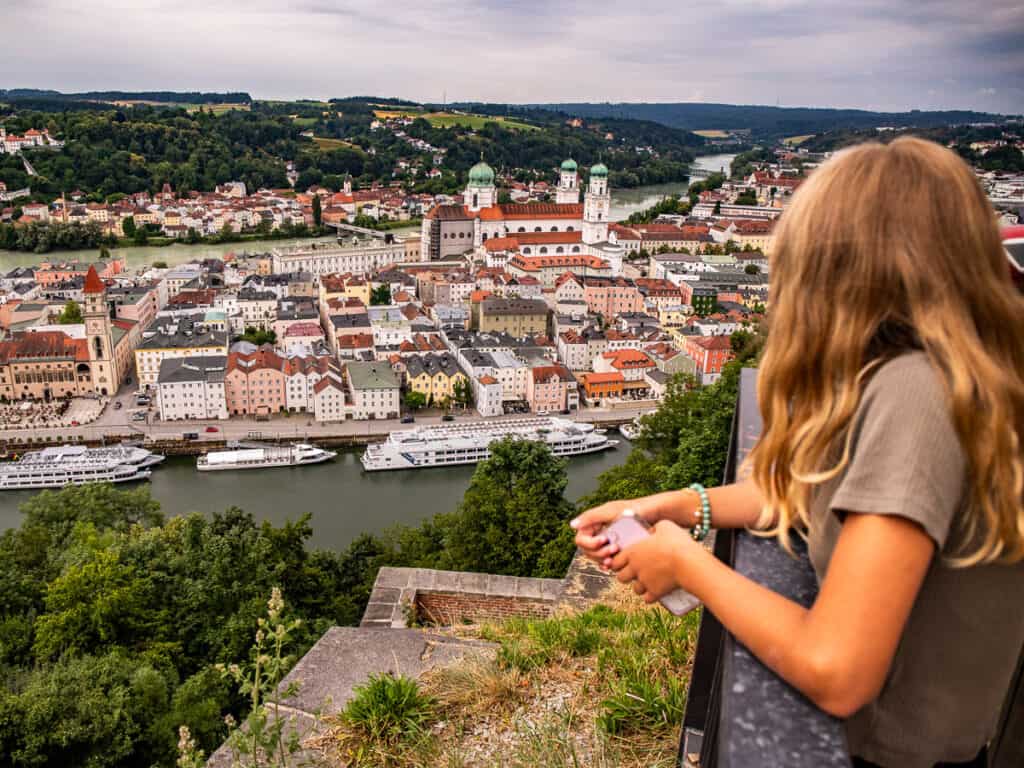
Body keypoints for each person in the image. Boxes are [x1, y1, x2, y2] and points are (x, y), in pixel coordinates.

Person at [572, 137, 1024, 768]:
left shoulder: (919, 391)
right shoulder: (935, 369)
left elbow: (837, 670)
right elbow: (815, 493)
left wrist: (686, 564)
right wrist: (676, 504)